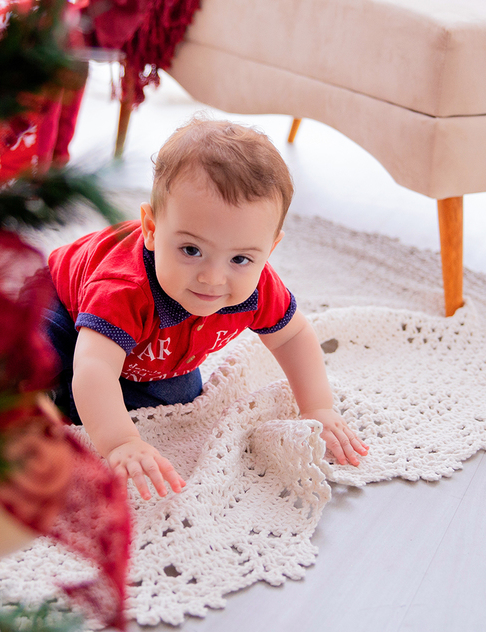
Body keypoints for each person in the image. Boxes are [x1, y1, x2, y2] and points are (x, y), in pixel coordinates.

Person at [45, 117, 368, 500]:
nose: (213, 279)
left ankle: (67, 398)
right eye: (191, 250)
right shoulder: (123, 286)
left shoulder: (258, 287)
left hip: (152, 354)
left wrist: (317, 406)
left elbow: (293, 335)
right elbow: (94, 365)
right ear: (151, 229)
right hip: (62, 311)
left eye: (241, 259)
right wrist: (120, 442)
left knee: (180, 402)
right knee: (27, 351)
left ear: (270, 249)